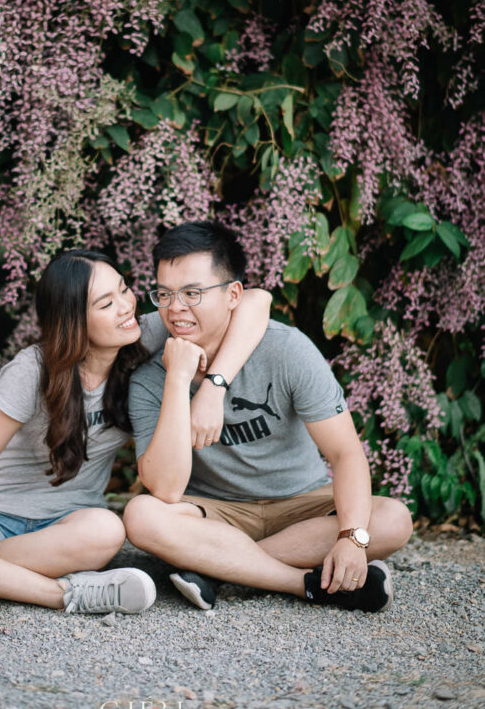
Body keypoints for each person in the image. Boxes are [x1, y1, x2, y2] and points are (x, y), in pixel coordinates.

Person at [0, 248, 272, 615]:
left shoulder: (141, 338)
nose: (126, 306)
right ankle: (64, 595)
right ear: (74, 320)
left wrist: (214, 388)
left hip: (68, 527)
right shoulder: (31, 371)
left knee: (108, 530)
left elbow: (256, 299)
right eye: (105, 303)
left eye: (125, 289)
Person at [123, 220, 414, 613]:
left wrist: (351, 539)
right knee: (142, 516)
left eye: (193, 293)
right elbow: (164, 489)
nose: (175, 308)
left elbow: (345, 453)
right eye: (164, 294)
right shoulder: (150, 375)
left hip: (302, 502)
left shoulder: (286, 350)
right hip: (216, 511)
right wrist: (177, 380)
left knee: (394, 518)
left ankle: (217, 568)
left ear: (233, 295)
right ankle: (302, 583)